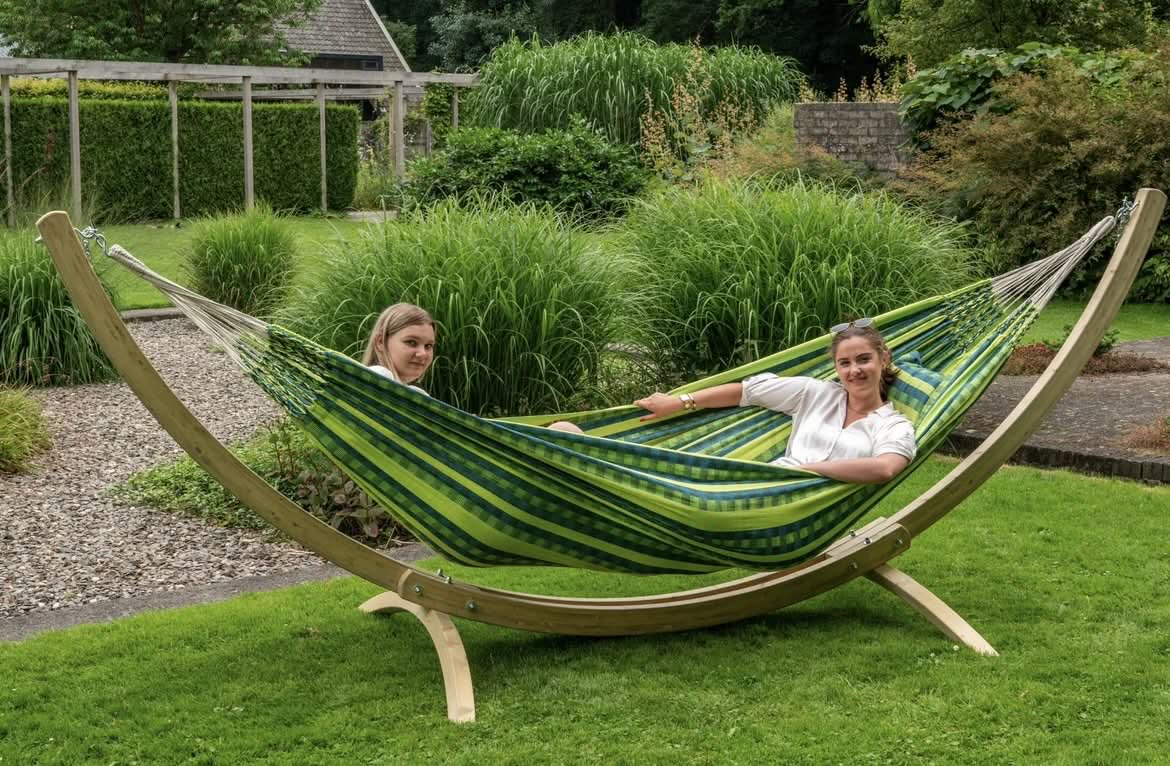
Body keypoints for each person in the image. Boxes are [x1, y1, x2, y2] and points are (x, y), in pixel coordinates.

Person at [635, 319, 916, 484]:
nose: (854, 370)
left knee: (692, 491)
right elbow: (744, 392)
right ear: (836, 368)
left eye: (864, 359)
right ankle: (600, 455)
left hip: (798, 503)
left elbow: (885, 468)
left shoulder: (893, 425)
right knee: (687, 479)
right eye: (845, 363)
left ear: (884, 359)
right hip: (766, 485)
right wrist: (681, 401)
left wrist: (804, 470)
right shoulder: (815, 393)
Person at [361, 303, 436, 392]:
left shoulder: (416, 394)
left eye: (428, 346)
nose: (423, 353)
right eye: (411, 342)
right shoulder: (378, 376)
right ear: (380, 342)